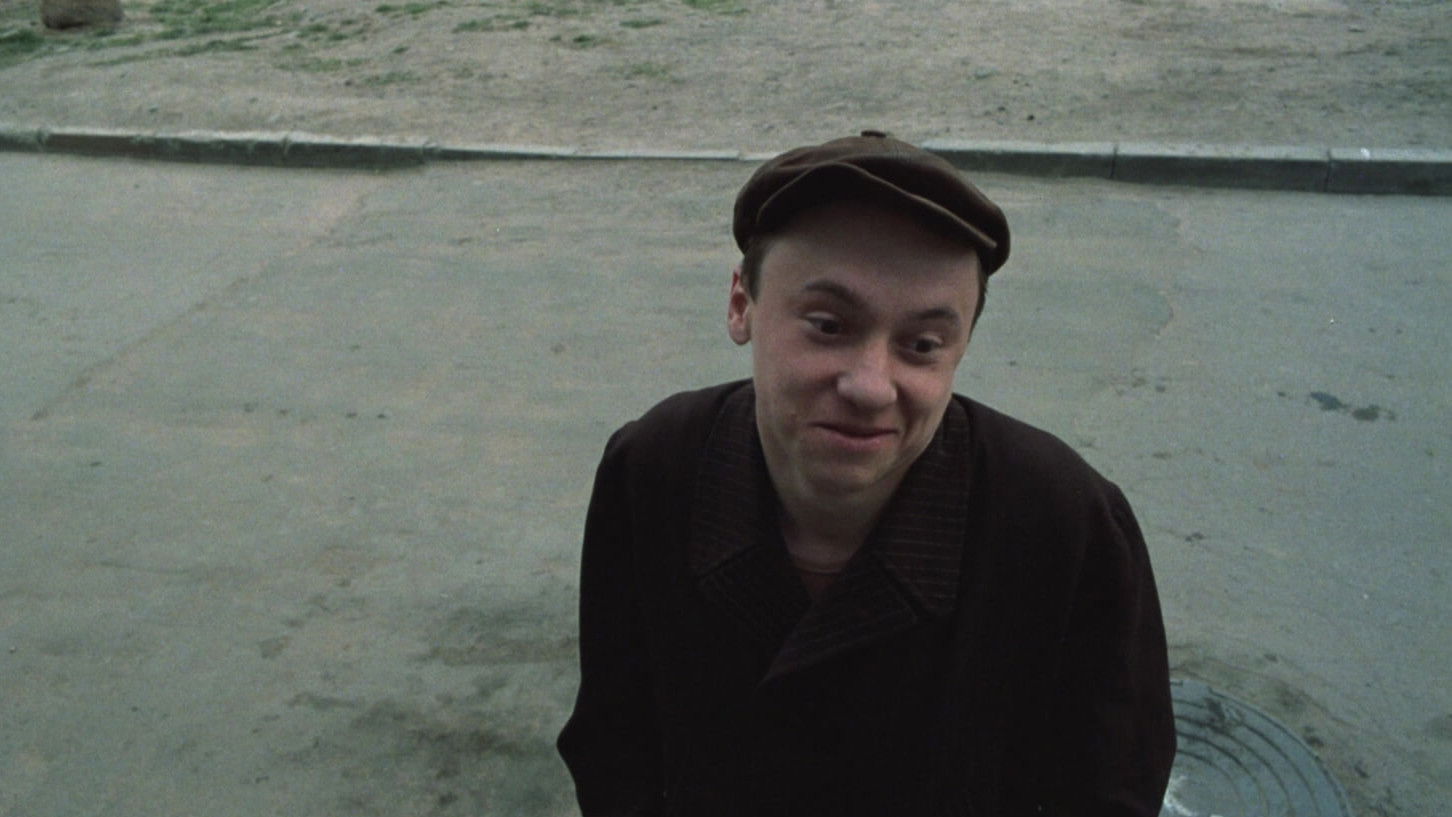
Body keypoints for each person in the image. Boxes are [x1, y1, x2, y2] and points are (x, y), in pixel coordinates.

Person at [557, 131, 1176, 816]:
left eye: (922, 344)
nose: (871, 385)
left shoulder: (1062, 520)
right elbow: (613, 743)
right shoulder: (654, 468)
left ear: (963, 346)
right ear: (741, 304)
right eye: (828, 325)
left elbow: (1110, 787)